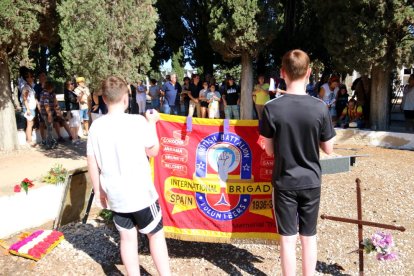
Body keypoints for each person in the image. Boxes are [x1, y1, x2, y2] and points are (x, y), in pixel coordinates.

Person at [260, 49, 335, 276]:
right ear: (309, 73)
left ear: (283, 73)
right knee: (309, 236)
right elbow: (329, 149)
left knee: (287, 239)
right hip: (311, 181)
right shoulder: (320, 107)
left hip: (284, 182)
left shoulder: (271, 108)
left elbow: (270, 150)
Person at [87, 76, 171, 276]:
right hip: (141, 194)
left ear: (104, 99)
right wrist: (152, 123)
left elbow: (92, 161)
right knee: (156, 235)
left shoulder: (95, 127)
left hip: (116, 195)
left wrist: (98, 190)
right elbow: (153, 151)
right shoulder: (137, 121)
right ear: (126, 97)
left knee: (126, 238)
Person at [21, 71, 37, 146]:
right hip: (29, 109)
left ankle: (29, 139)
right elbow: (25, 99)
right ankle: (29, 141)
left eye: (31, 76)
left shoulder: (31, 87)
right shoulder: (26, 87)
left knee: (31, 124)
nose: (30, 78)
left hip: (31, 108)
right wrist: (27, 109)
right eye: (27, 77)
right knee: (29, 124)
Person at [64, 80, 81, 145]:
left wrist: (78, 97)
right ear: (68, 85)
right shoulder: (68, 93)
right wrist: (79, 97)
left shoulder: (72, 92)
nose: (73, 85)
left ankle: (76, 138)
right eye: (72, 84)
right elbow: (74, 100)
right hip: (72, 110)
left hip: (75, 109)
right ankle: (74, 139)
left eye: (73, 84)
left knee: (76, 125)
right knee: (73, 125)